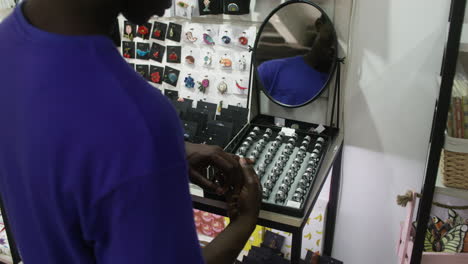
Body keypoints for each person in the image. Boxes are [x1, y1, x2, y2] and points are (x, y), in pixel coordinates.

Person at [0, 0, 261, 263]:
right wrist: (244, 223)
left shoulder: (8, 41)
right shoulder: (139, 122)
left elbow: (52, 144)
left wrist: (153, 160)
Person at [258, 15, 336, 106]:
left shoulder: (340, 89)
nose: (335, 46)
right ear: (319, 26)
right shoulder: (270, 70)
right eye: (332, 35)